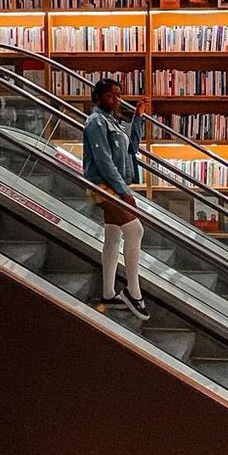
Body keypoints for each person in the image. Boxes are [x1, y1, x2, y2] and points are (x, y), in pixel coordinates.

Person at [83, 79, 149, 320]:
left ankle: (108, 293)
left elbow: (131, 149)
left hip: (113, 183)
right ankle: (133, 292)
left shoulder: (113, 121)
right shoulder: (95, 122)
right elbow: (103, 161)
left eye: (119, 95)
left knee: (114, 234)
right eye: (111, 95)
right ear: (98, 96)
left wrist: (138, 118)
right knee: (135, 230)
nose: (116, 99)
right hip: (103, 186)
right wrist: (123, 191)